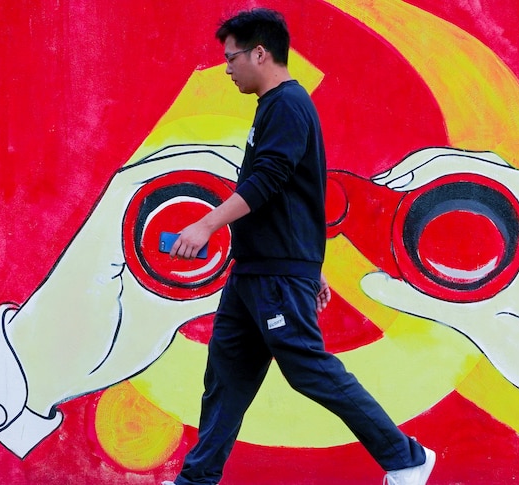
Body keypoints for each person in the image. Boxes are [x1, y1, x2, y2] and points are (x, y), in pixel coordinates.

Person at [164, 8, 436, 485]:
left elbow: (269, 180)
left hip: (273, 276)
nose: (226, 68)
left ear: (260, 53)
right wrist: (312, 264)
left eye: (231, 58)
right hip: (256, 272)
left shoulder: (288, 105)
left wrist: (206, 225)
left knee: (308, 369)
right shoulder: (273, 107)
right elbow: (302, 193)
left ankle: (405, 457)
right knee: (225, 383)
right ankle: (197, 480)